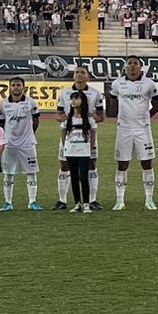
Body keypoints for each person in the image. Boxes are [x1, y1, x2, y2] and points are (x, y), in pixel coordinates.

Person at [107, 56, 158, 212]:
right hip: (123, 129)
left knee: (147, 163)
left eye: (135, 64)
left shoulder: (148, 84)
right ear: (125, 67)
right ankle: (119, 200)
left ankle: (149, 199)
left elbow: (156, 106)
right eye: (129, 63)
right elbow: (113, 104)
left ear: (140, 67)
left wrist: (144, 119)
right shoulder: (117, 84)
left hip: (142, 130)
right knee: (122, 164)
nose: (132, 66)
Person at [55, 66, 103, 210]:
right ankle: (62, 200)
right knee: (65, 165)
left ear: (88, 76)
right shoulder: (65, 93)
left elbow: (101, 116)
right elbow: (59, 114)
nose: (79, 75)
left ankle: (92, 200)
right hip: (70, 134)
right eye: (77, 72)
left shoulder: (95, 93)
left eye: (83, 72)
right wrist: (63, 118)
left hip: (87, 135)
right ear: (73, 75)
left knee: (91, 165)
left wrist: (92, 118)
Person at [0, 79, 41, 212]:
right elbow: (1, 123)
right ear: (9, 87)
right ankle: (8, 202)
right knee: (8, 173)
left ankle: (32, 201)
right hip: (9, 144)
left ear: (24, 87)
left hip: (27, 143)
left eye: (18, 85)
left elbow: (36, 120)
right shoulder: (3, 104)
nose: (16, 87)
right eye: (13, 85)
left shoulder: (31, 102)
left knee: (31, 171)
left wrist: (30, 134)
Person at [59, 93, 97, 213]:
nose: (73, 101)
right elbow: (63, 133)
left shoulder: (89, 119)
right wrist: (66, 147)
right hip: (71, 152)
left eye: (76, 98)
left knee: (83, 177)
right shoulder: (68, 119)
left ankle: (86, 203)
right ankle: (77, 203)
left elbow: (93, 136)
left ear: (83, 101)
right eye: (72, 98)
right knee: (74, 177)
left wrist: (89, 149)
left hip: (84, 152)